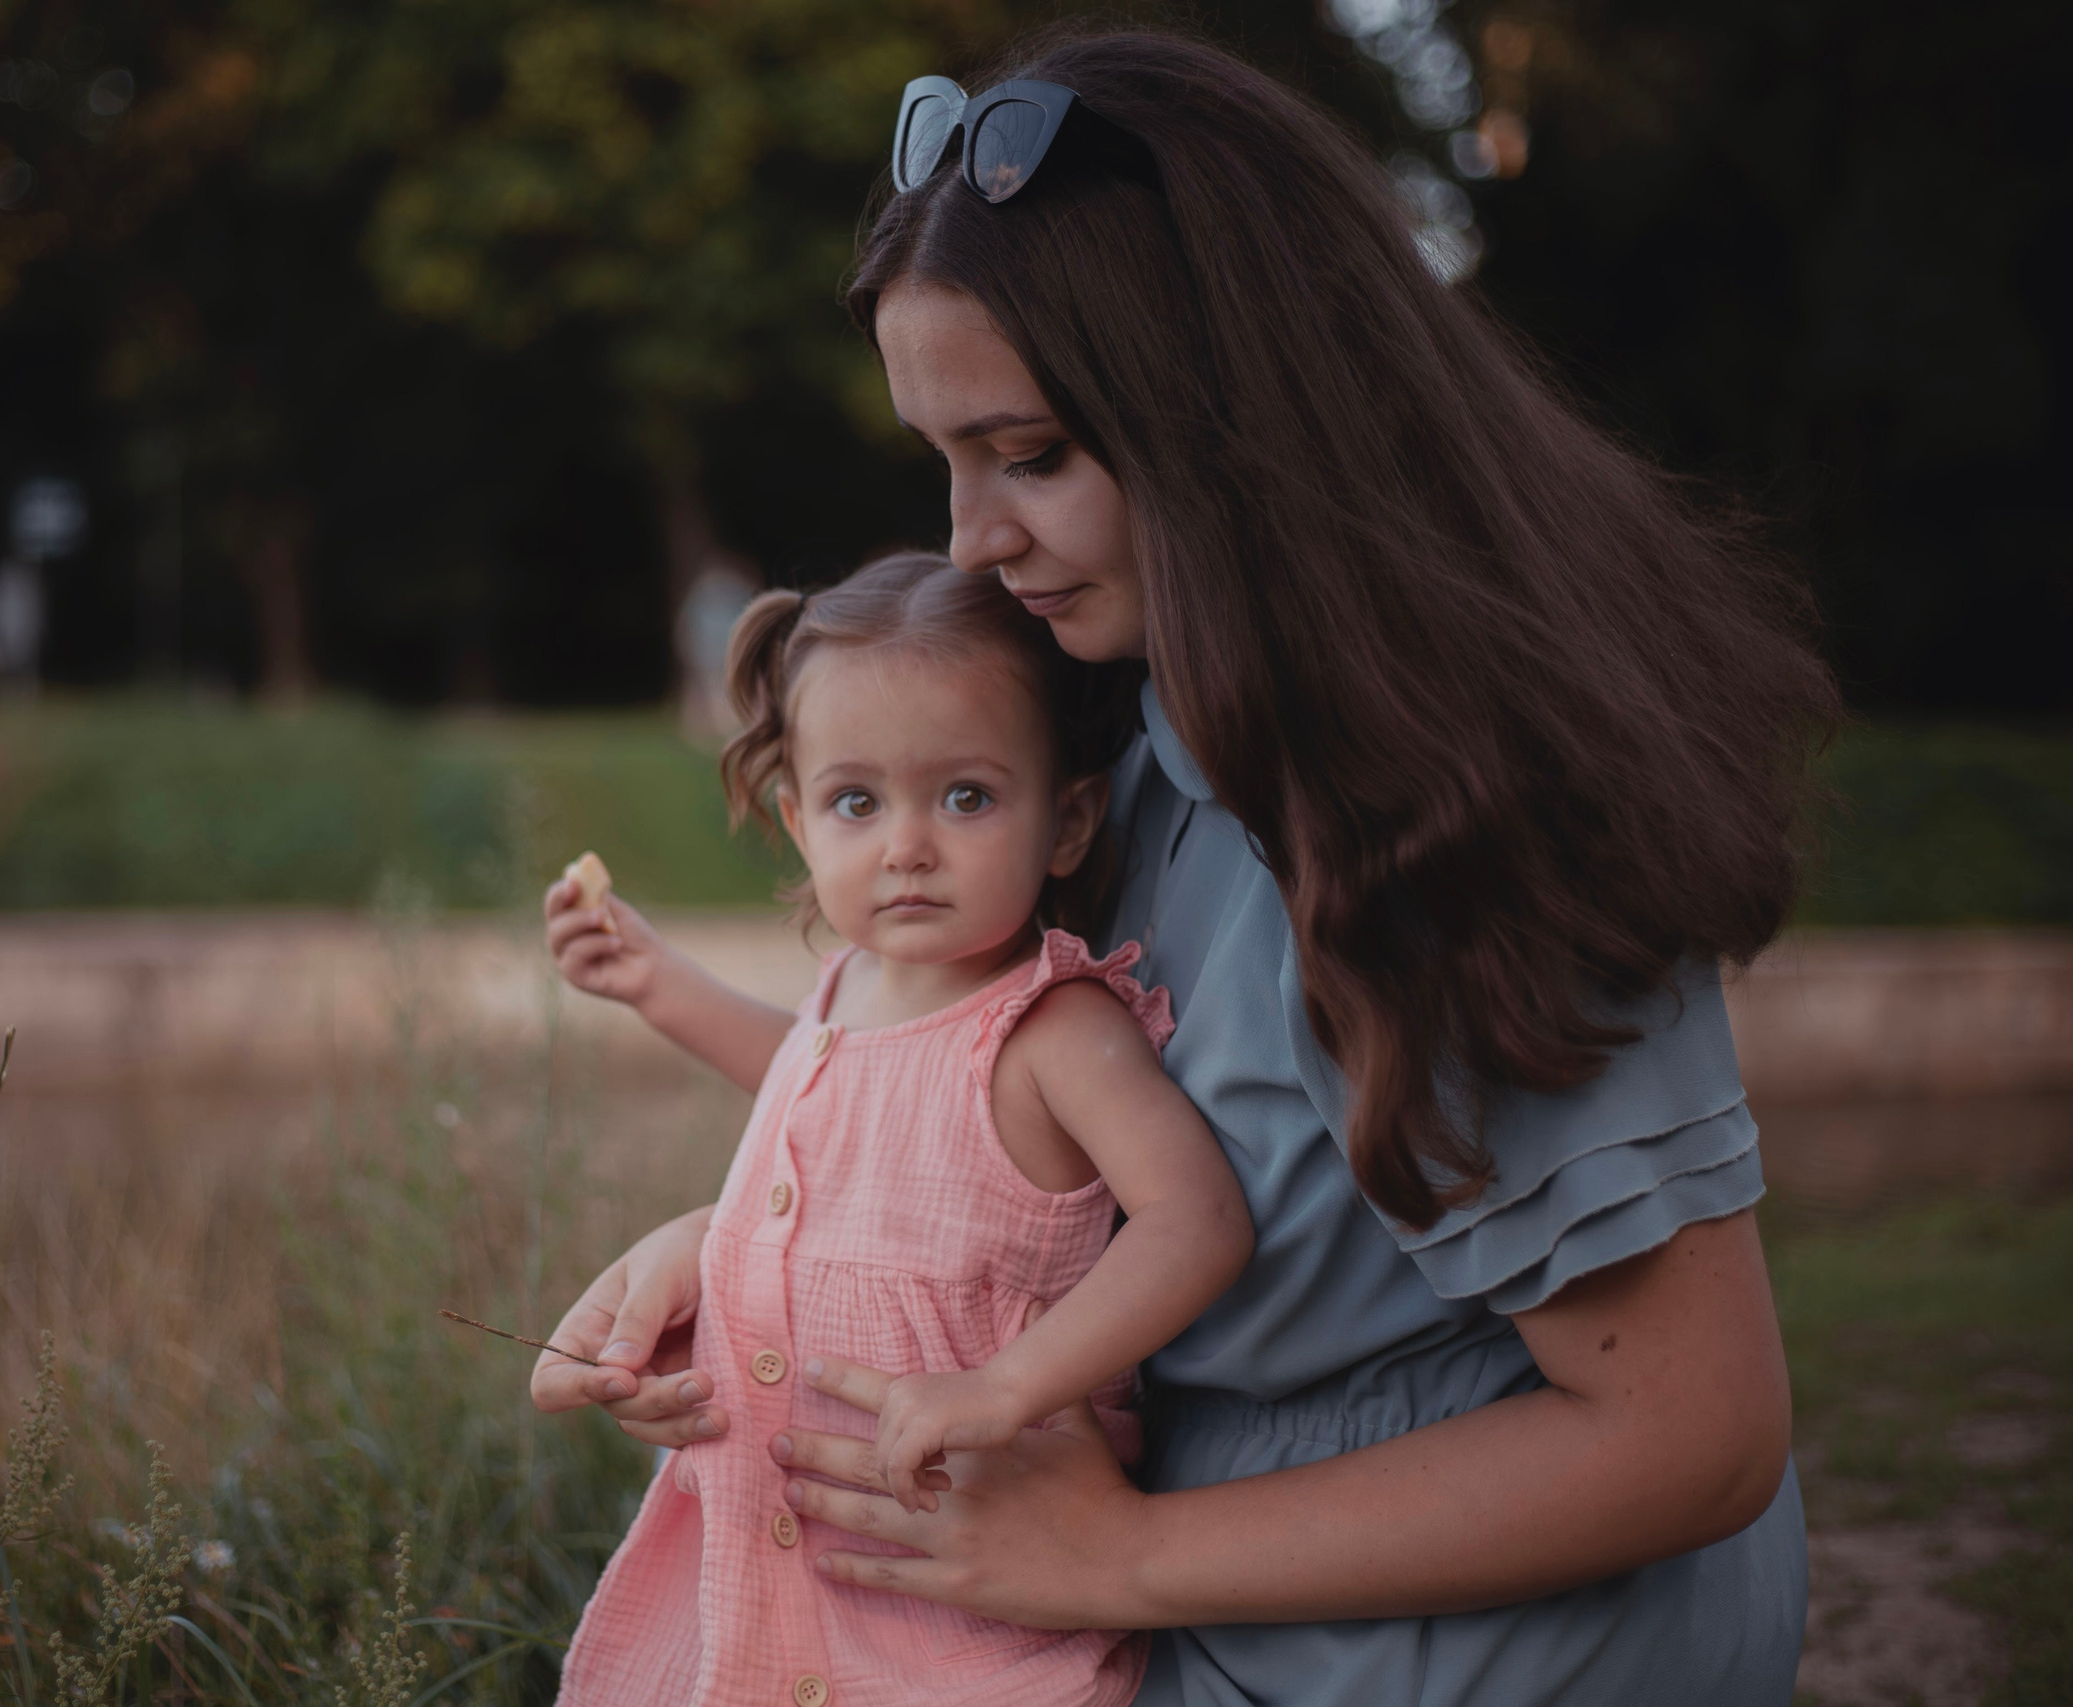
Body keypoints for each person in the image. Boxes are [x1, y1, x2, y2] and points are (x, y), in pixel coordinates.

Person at [532, 27, 1840, 1707]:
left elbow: (1690, 1435)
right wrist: (734, 1252)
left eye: (1034, 456)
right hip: (1180, 1605)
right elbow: (1018, 1135)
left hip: (1475, 1654)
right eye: (945, 458)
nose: (969, 545)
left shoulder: (1463, 808)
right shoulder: (1116, 742)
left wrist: (1113, 1557)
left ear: (1239, 416)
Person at [541, 553, 1253, 1706]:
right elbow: (825, 1083)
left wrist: (1006, 1385)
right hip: (776, 1568)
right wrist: (654, 982)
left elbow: (1199, 1223)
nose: (906, 845)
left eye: (965, 796)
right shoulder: (852, 987)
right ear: (798, 820)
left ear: (1066, 819)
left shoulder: (1053, 1029)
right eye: (856, 803)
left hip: (958, 1606)